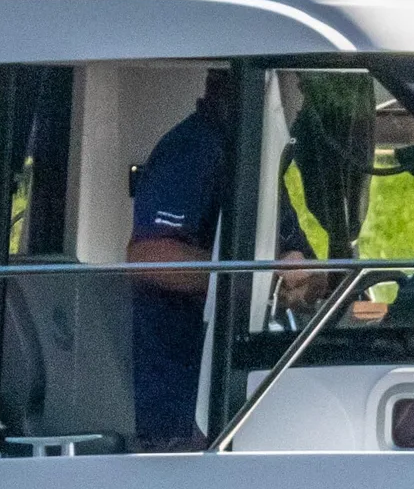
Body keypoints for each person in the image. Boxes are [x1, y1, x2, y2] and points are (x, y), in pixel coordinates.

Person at [126, 72, 313, 446]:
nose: (297, 94)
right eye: (291, 79)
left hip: (245, 382)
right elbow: (148, 256)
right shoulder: (192, 149)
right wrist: (251, 280)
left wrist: (302, 275)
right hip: (188, 400)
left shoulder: (255, 158)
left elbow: (298, 257)